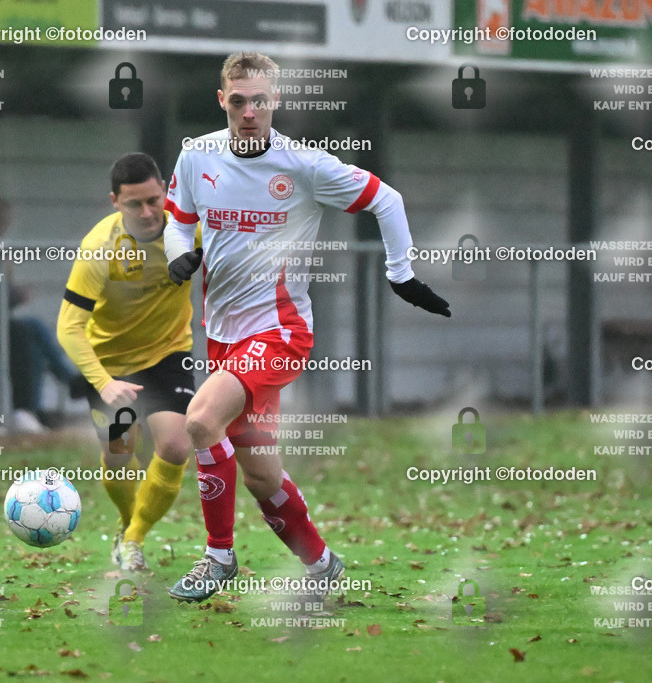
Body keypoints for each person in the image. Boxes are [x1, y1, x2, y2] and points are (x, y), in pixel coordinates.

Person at [162, 52, 451, 602]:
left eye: (261, 101)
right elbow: (179, 221)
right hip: (224, 336)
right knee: (261, 476)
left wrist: (401, 275)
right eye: (239, 101)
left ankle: (219, 557)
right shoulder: (196, 155)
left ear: (276, 102)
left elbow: (386, 199)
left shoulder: (303, 165)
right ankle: (322, 565)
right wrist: (179, 255)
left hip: (280, 333)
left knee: (199, 422)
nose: (250, 111)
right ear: (223, 101)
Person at [57, 153, 198, 572]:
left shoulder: (191, 228)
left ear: (165, 191)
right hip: (109, 362)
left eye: (154, 200)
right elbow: (68, 327)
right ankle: (125, 523)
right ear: (114, 202)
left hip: (167, 353)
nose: (148, 212)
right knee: (119, 452)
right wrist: (103, 383)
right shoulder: (100, 248)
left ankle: (133, 538)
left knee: (174, 444)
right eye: (134, 204)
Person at [0, 197, 85, 433]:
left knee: (31, 334)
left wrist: (10, 292)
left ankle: (30, 408)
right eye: (0, 228)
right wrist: (14, 296)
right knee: (28, 330)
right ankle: (55, 389)